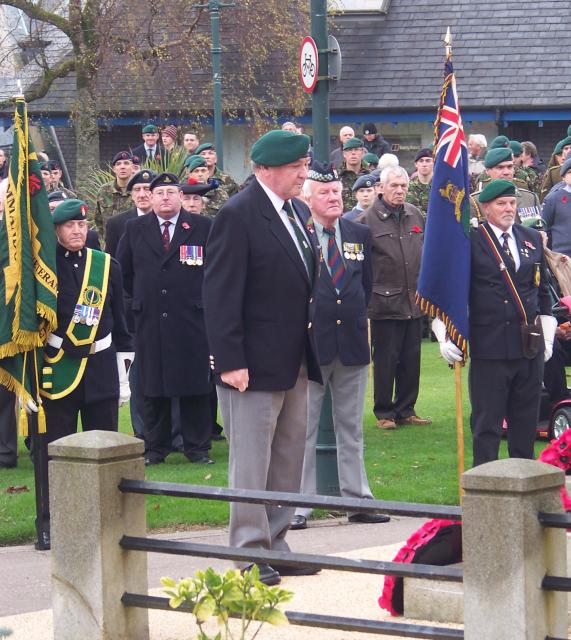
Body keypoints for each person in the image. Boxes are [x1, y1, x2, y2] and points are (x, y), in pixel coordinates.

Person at [203, 129, 322, 586]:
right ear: (265, 169)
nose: (302, 174)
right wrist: (229, 360)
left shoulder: (294, 212)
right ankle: (249, 551)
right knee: (251, 462)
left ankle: (277, 542)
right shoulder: (238, 214)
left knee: (287, 458)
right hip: (249, 365)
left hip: (292, 360)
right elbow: (220, 294)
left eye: (303, 166)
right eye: (295, 168)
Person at [290, 163, 389, 531]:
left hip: (351, 342)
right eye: (325, 193)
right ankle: (300, 504)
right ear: (308, 199)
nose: (333, 198)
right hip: (310, 346)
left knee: (352, 427)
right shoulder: (298, 233)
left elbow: (364, 288)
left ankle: (357, 500)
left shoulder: (358, 233)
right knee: (303, 430)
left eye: (337, 193)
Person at [433, 180, 555, 466]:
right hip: (490, 348)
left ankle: (525, 491)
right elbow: (450, 291)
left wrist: (547, 335)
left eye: (512, 203)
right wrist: (445, 334)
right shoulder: (471, 240)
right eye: (501, 204)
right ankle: (485, 493)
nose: (509, 209)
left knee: (525, 424)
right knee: (487, 425)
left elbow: (542, 291)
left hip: (528, 347)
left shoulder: (531, 238)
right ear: (485, 207)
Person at [117, 173, 214, 466]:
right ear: (151, 197)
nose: (165, 198)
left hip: (192, 320)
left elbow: (214, 270)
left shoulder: (201, 227)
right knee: (152, 385)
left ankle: (197, 447)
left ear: (181, 196)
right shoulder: (135, 228)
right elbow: (125, 272)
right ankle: (155, 447)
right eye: (159, 193)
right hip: (151, 320)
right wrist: (140, 302)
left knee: (195, 384)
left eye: (172, 192)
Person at [36, 199, 133, 446]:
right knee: (56, 451)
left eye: (81, 224)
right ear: (55, 229)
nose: (77, 230)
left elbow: (121, 325)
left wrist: (123, 378)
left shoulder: (106, 264)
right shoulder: (43, 267)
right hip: (58, 365)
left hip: (101, 369)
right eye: (70, 225)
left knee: (105, 449)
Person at [357, 166, 431, 430]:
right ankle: (384, 412)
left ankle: (406, 408)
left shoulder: (415, 214)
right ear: (381, 187)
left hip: (413, 299)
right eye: (394, 186)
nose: (399, 190)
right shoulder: (366, 220)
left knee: (412, 358)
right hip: (384, 301)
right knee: (387, 359)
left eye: (403, 186)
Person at [105, 170, 155, 439]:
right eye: (137, 190)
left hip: (166, 308)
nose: (143, 194)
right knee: (136, 373)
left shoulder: (171, 221)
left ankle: (173, 434)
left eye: (148, 188)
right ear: (131, 194)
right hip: (132, 307)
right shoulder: (117, 224)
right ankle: (143, 431)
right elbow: (115, 267)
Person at [470, 148, 540, 224]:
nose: (506, 172)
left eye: (510, 167)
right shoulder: (475, 201)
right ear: (487, 171)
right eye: (500, 168)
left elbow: (538, 229)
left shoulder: (530, 198)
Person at [93, 151, 134, 243]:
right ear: (114, 169)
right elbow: (98, 220)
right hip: (110, 245)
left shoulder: (139, 191)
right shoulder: (104, 191)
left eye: (126, 163)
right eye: (118, 164)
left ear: (132, 167)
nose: (122, 167)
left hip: (134, 245)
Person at [541, 156, 571, 258]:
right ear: (563, 177)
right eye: (570, 172)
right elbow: (545, 226)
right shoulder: (553, 198)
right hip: (563, 257)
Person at [339, 137, 368, 211]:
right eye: (349, 150)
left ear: (362, 152)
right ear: (344, 154)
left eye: (356, 149)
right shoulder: (337, 177)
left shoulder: (370, 176)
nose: (353, 153)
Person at [406, 148, 434, 218]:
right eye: (421, 161)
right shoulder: (409, 186)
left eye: (428, 161)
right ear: (416, 164)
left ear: (434, 163)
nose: (424, 164)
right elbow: (412, 211)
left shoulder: (440, 186)